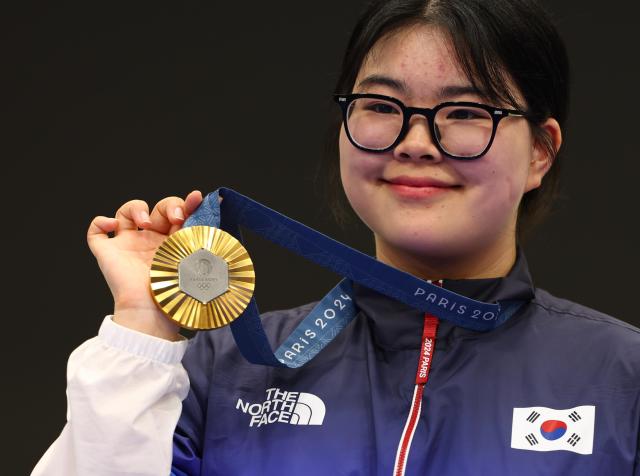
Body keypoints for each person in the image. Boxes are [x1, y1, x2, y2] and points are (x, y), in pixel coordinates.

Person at [32, 0, 640, 475]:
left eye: (464, 112)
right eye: (381, 104)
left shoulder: (622, 377)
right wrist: (145, 331)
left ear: (540, 152)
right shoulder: (223, 372)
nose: (415, 142)